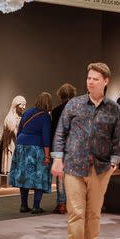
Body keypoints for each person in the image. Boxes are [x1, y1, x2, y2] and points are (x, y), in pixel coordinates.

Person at [51, 63, 120, 239]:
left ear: (106, 81)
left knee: (94, 213)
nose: (90, 81)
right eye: (89, 78)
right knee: (76, 213)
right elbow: (60, 132)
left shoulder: (114, 108)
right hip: (73, 166)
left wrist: (114, 160)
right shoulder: (73, 105)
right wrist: (57, 157)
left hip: (100, 168)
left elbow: (117, 137)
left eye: (95, 79)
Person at [9, 91, 54, 213]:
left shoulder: (27, 112)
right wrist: (47, 155)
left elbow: (20, 131)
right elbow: (45, 137)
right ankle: (36, 206)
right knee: (39, 176)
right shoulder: (45, 116)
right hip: (36, 148)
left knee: (23, 176)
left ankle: (23, 205)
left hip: (21, 146)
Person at [50, 83, 77, 213]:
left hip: (59, 147)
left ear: (60, 95)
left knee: (60, 177)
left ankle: (61, 204)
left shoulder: (55, 111)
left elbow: (54, 131)